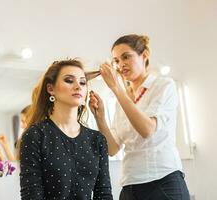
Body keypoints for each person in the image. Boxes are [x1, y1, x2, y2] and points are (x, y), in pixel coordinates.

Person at [89, 34, 190, 200]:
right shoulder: (121, 100)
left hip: (163, 181)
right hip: (130, 184)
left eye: (126, 57)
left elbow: (147, 129)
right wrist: (100, 118)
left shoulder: (163, 85)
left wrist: (116, 88)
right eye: (116, 61)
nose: (121, 65)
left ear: (145, 55)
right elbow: (113, 149)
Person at [19, 59, 113, 199]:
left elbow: (104, 193)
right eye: (69, 80)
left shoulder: (97, 139)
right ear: (51, 89)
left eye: (82, 82)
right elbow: (31, 195)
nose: (78, 86)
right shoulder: (35, 135)